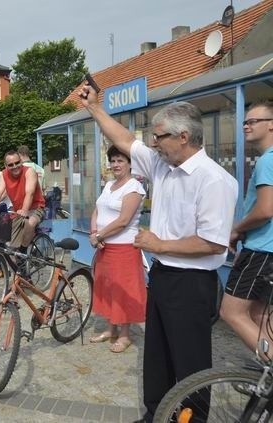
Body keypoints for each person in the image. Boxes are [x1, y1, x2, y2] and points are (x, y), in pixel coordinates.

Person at [80, 84, 238, 422]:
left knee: (191, 362)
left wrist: (159, 245)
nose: (153, 143)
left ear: (183, 136)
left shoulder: (214, 180)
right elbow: (124, 139)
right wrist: (95, 109)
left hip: (192, 282)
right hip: (163, 275)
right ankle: (155, 414)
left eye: (159, 136)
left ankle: (191, 419)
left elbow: (213, 242)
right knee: (158, 356)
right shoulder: (162, 164)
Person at [220, 101, 273, 353]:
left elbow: (265, 210)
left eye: (253, 121)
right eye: (245, 121)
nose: (246, 125)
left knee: (232, 312)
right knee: (261, 315)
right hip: (267, 249)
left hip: (261, 249)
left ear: (271, 125)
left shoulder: (267, 162)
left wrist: (237, 229)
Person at [89, 146, 146, 353]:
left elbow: (123, 221)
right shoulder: (110, 185)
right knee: (107, 288)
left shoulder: (134, 188)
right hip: (104, 246)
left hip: (123, 248)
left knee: (123, 290)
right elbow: (97, 209)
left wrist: (100, 236)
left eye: (120, 160)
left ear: (130, 163)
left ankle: (124, 335)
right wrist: (93, 232)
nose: (115, 165)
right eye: (112, 161)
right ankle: (110, 329)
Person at [0, 150, 46, 250]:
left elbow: (30, 193)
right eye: (11, 165)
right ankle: (16, 253)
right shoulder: (4, 174)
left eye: (17, 163)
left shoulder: (29, 171)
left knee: (30, 223)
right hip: (17, 210)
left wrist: (24, 210)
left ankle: (23, 251)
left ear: (21, 161)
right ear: (5, 166)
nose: (15, 166)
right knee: (9, 240)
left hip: (35, 208)